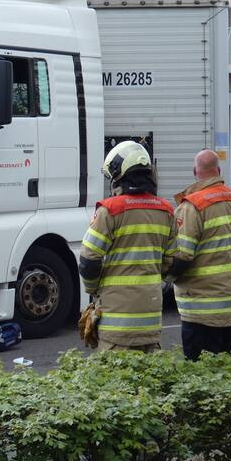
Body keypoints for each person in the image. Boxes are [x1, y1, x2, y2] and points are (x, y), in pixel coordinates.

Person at [79, 141, 176, 352]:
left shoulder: (110, 211)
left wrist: (93, 289)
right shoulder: (166, 211)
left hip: (116, 325)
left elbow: (88, 261)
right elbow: (170, 264)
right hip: (151, 321)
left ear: (120, 175)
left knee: (114, 382)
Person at [167, 149, 231, 361]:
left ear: (195, 171)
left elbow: (183, 256)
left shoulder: (192, 206)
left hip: (201, 305)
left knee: (198, 367)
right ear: (218, 170)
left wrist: (166, 278)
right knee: (223, 362)